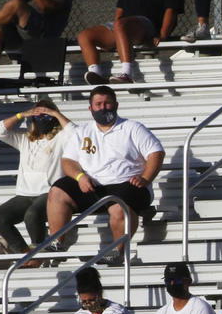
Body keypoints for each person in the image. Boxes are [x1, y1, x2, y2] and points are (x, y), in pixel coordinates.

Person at [49, 86, 164, 263]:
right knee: (57, 191)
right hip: (93, 185)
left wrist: (146, 178)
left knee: (119, 207)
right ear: (91, 108)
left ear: (116, 105)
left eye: (107, 103)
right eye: (98, 104)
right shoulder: (82, 132)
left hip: (128, 184)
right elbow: (68, 161)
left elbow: (156, 153)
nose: (103, 108)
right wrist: (80, 177)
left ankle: (118, 253)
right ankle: (57, 243)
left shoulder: (132, 128)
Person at [0, 99, 73, 259]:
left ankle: (39, 254)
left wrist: (55, 113)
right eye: (38, 115)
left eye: (46, 115)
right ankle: (25, 253)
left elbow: (75, 132)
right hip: (25, 194)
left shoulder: (61, 138)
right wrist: (22, 114)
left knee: (32, 214)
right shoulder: (24, 139)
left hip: (48, 193)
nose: (42, 119)